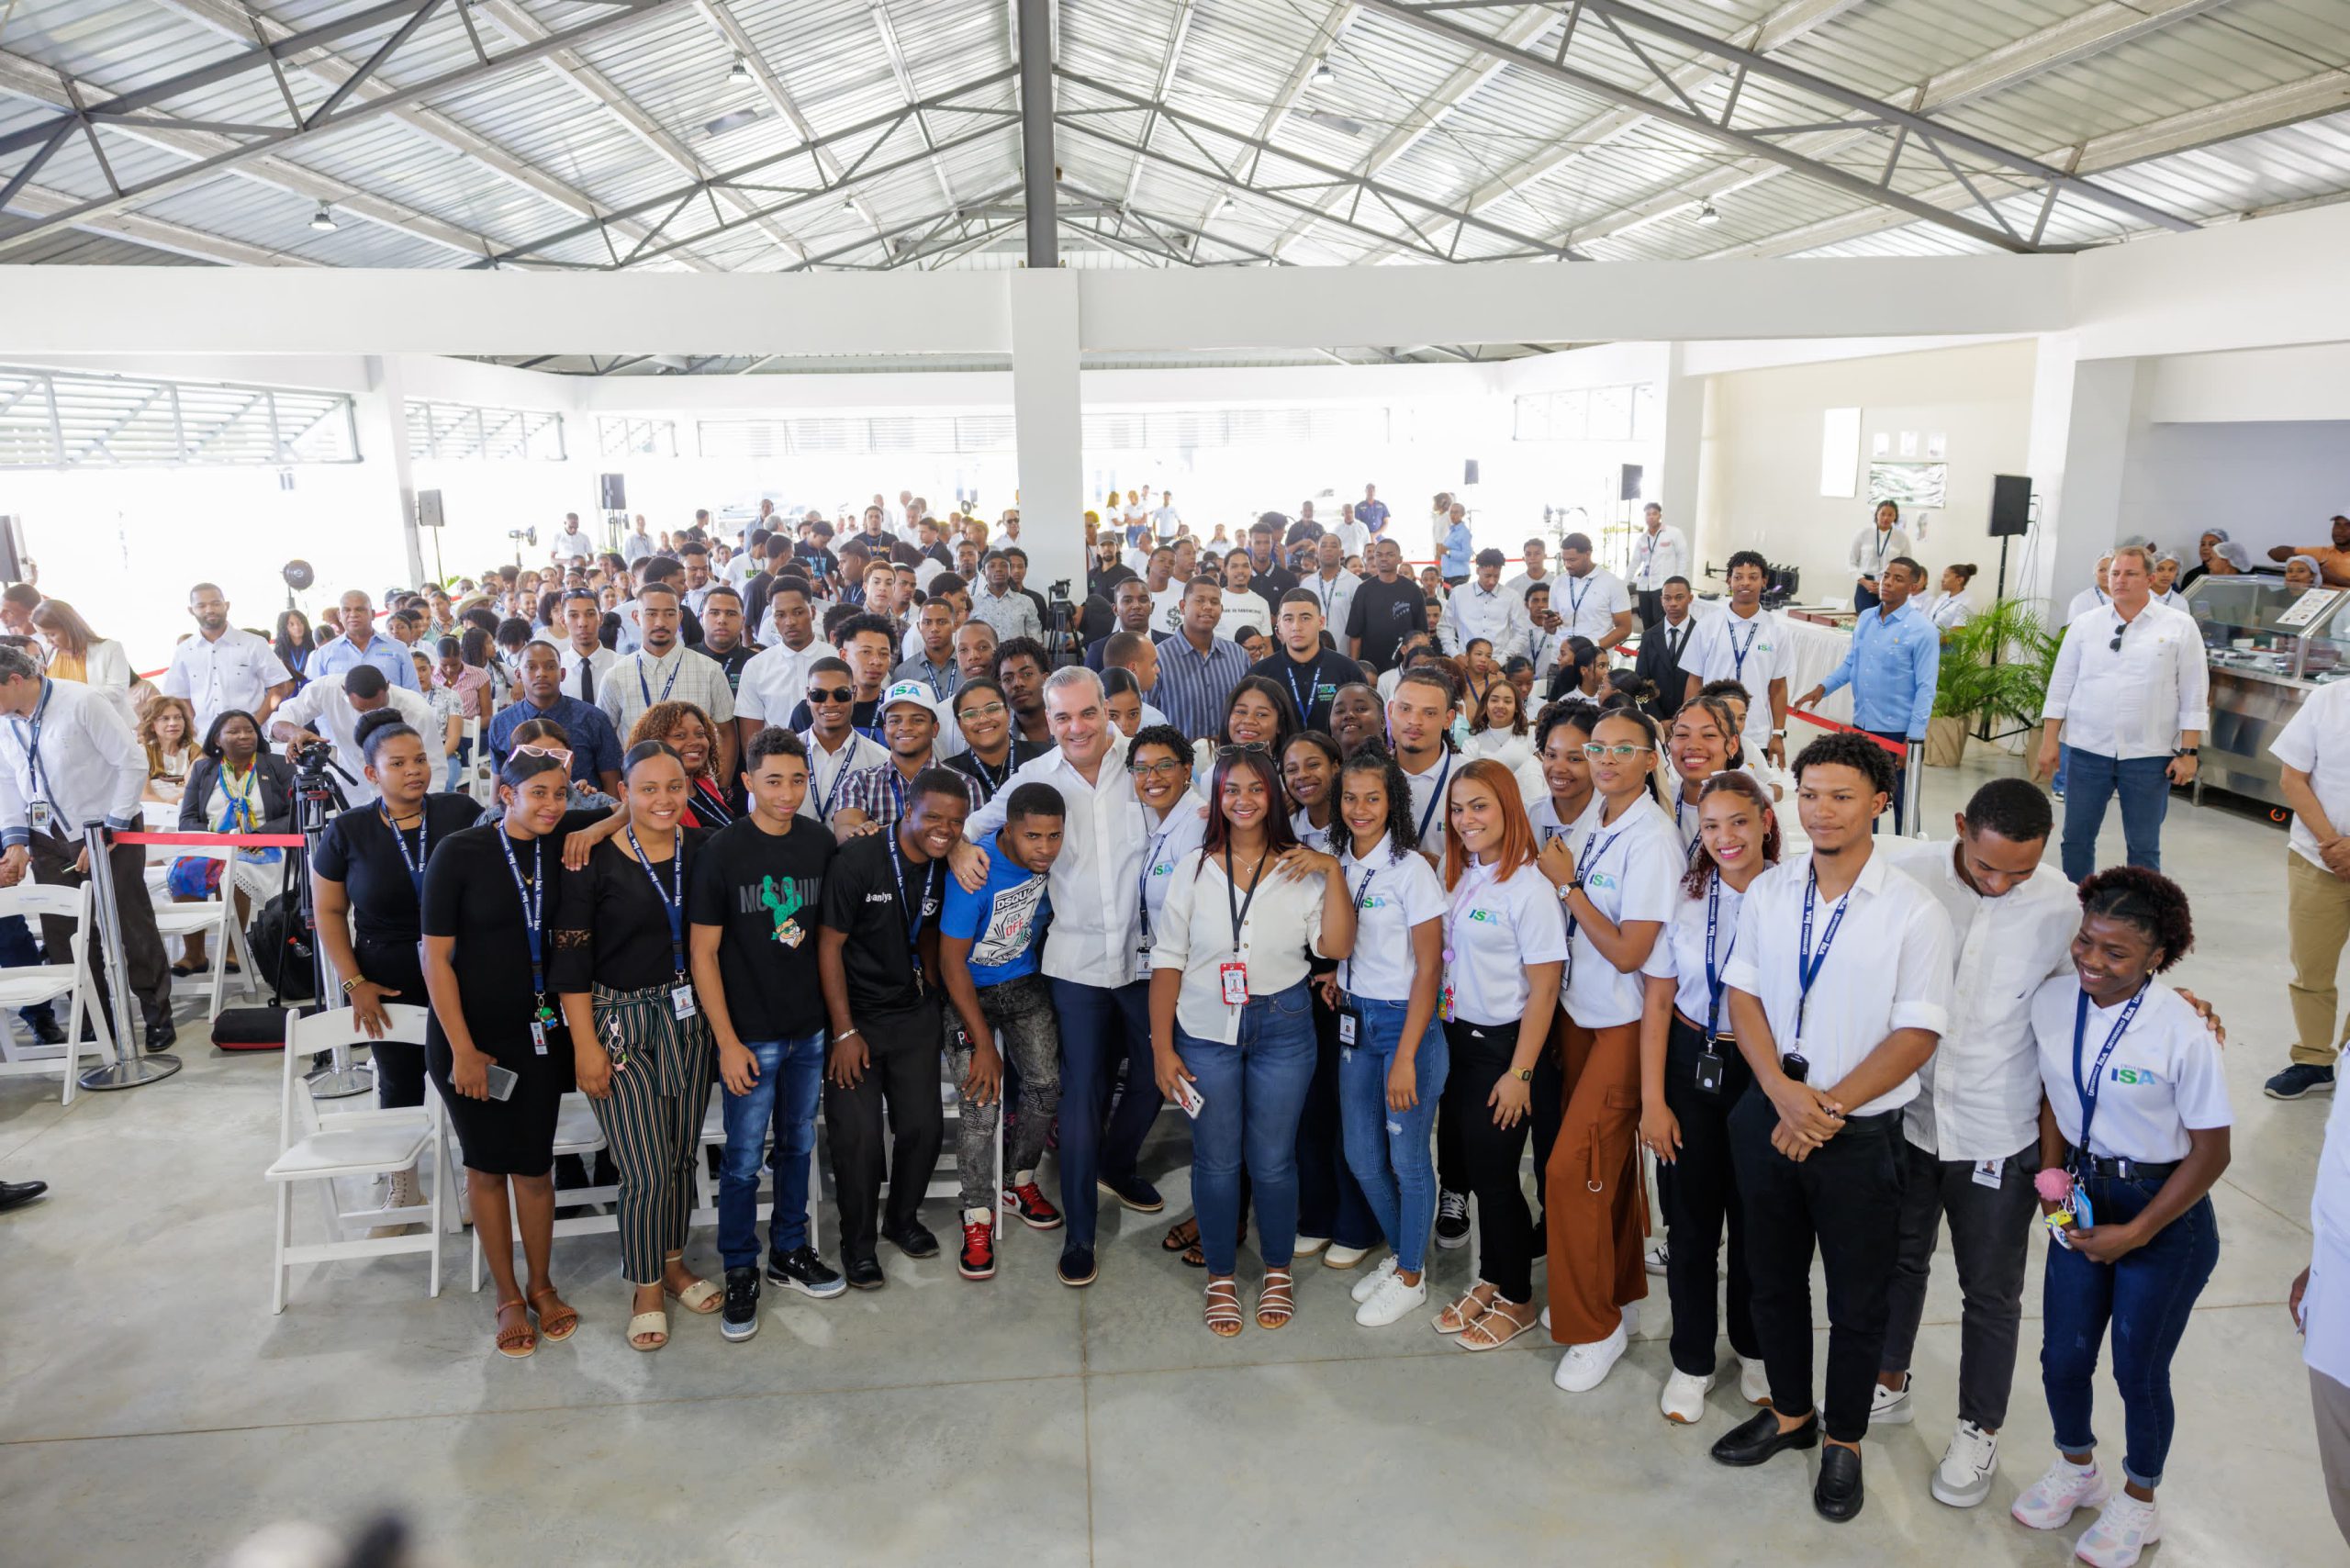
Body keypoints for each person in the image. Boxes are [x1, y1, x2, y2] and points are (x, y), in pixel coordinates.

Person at [1709, 731, 1955, 1523]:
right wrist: (1782, 1094)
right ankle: (1790, 1412)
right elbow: (1741, 996)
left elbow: (1917, 1035)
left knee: (1857, 1299)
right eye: (1809, 794)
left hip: (1857, 1134)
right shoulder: (1773, 892)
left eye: (1841, 796)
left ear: (1880, 803)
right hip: (1771, 1113)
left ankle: (1844, 1437)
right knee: (1770, 1278)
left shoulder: (1913, 913)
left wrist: (1825, 1109)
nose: (1820, 810)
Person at [1862, 779, 2084, 1507]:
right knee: (1898, 1259)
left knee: (1991, 1292)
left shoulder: (2060, 905)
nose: (2001, 884)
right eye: (1987, 868)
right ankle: (1888, 1381)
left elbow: (2071, 1022)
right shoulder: (1904, 876)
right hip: (1908, 1117)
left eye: (2019, 871)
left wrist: (2051, 1159)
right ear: (1961, 827)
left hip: (1999, 1128)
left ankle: (1977, 1428)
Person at [2013, 868, 2229, 1567]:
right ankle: (2078, 1468)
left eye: (2116, 954)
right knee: (2062, 1356)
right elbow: (2053, 1094)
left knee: (2138, 1368)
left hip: (2163, 1212)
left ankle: (2140, 1500)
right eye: (2086, 943)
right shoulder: (2053, 1002)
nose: (2093, 963)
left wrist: (2137, 1232)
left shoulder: (2182, 1030)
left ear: (2156, 959)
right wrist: (2052, 1186)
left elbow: (2212, 1152)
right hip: (2079, 1194)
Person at [952, 669, 1158, 1287]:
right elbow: (976, 824)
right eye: (1062, 717)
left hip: (1146, 961)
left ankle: (1115, 1163)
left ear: (1110, 712)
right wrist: (962, 847)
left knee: (1152, 1080)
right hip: (1075, 966)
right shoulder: (1036, 776)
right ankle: (1080, 1235)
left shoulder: (1144, 765)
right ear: (1046, 719)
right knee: (1082, 1091)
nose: (1077, 728)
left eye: (1087, 714)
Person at [1148, 746, 1353, 1336]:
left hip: (1284, 1027)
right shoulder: (1192, 868)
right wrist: (1163, 1049)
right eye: (1231, 789)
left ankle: (1278, 1270)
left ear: (1275, 795)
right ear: (1217, 797)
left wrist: (1332, 870)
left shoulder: (1300, 865)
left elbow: (1336, 948)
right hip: (1206, 1030)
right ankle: (1219, 1277)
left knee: (1273, 1161)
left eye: (1256, 788)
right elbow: (1167, 962)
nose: (1243, 799)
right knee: (1215, 1162)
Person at [417, 745, 596, 1357]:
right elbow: (435, 958)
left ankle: (543, 1285)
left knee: (535, 1166)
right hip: (469, 1040)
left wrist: (596, 816)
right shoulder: (459, 853)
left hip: (540, 1034)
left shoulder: (565, 838)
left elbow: (630, 810)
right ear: (506, 795)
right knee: (488, 1168)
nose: (551, 805)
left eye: (561, 793)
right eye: (537, 792)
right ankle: (507, 1295)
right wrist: (464, 1050)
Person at [552, 741, 721, 1350]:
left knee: (677, 1156)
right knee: (646, 1167)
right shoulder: (590, 859)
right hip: (617, 1023)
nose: (663, 800)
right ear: (623, 793)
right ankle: (645, 1284)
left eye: (674, 787)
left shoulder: (701, 850)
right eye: (646, 789)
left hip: (688, 1017)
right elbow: (568, 963)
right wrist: (584, 1046)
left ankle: (672, 1262)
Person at [1537, 705, 1680, 1393]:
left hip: (1623, 1023)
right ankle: (1615, 1289)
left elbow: (1631, 951)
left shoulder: (1653, 838)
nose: (1604, 760)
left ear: (1652, 760)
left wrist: (1567, 887)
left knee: (1572, 1172)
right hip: (1576, 1012)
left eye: (1625, 750)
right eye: (1599, 748)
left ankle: (1595, 1325)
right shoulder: (1594, 816)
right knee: (1607, 1175)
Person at [685, 728, 845, 1338]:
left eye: (797, 780)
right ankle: (739, 1267)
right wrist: (726, 1041)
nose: (786, 793)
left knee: (800, 1147)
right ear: (747, 782)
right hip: (749, 1035)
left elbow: (828, 938)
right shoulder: (722, 854)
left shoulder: (818, 843)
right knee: (744, 1161)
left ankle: (788, 1252)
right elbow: (704, 954)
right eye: (773, 780)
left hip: (808, 1030)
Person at [1639, 769, 1779, 1421]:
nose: (1725, 838)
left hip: (1763, 1071)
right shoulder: (1686, 896)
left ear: (1766, 823)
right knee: (1691, 1227)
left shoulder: (1790, 899)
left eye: (1739, 823)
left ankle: (1752, 1350)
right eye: (1711, 826)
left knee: (1758, 1223)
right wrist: (1653, 1099)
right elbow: (1659, 998)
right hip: (1690, 1063)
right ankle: (1692, 1360)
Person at [1428, 758, 1566, 1350]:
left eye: (1479, 806)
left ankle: (1518, 1297)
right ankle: (1490, 1278)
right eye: (1457, 809)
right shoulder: (1462, 874)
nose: (1465, 820)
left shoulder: (1530, 889)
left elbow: (1546, 988)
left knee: (1497, 1179)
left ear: (1508, 808)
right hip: (1457, 1040)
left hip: (1503, 1052)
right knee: (1472, 1170)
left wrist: (1520, 1074)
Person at [312, 706, 486, 1163]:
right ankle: (402, 1185)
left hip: (465, 970)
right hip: (387, 976)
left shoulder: (462, 812)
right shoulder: (347, 831)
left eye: (421, 760)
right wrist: (355, 983)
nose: (415, 771)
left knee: (471, 1076)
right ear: (371, 772)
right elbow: (329, 911)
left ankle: (479, 1173)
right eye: (398, 763)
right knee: (399, 1083)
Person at [817, 767, 968, 1291]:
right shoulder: (859, 859)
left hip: (911, 1014)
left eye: (955, 822)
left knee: (924, 1127)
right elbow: (828, 947)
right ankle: (857, 1246)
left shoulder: (944, 861)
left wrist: (929, 983)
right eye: (933, 817)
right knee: (857, 1139)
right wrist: (841, 1032)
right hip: (854, 1020)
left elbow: (927, 928)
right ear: (907, 810)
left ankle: (901, 1220)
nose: (943, 830)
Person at [0, 641, 174, 1049]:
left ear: (14, 679)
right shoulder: (6, 720)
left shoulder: (82, 701)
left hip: (108, 827)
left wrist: (110, 830)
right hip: (47, 837)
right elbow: (7, 782)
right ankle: (98, 1022)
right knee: (64, 934)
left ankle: (155, 1016)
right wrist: (16, 842)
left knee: (131, 924)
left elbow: (131, 764)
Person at [938, 780, 1069, 1280]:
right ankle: (976, 1212)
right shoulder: (976, 870)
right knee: (980, 1105)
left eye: (1054, 836)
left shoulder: (1053, 859)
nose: (1045, 848)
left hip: (1023, 982)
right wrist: (981, 1045)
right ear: (1008, 830)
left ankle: (1017, 1180)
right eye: (1033, 836)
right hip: (968, 990)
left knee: (1043, 1087)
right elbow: (951, 963)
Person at [2035, 545, 2207, 881]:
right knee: (2076, 839)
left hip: (2149, 755)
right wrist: (2049, 741)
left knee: (2143, 845)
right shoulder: (2085, 625)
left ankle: (2141, 916)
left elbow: (2194, 694)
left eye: (2130, 574)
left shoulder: (2179, 626)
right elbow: (2060, 688)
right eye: (2115, 573)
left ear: (2151, 579)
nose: (2120, 581)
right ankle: (2078, 903)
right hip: (2087, 750)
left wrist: (2189, 752)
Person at [1796, 556, 1940, 834]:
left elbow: (1926, 687)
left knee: (1902, 801)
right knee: (1863, 796)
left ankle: (1909, 852)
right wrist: (1822, 688)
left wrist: (1914, 736)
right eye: (1886, 575)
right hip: (1863, 726)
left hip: (1898, 734)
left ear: (1913, 586)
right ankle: (1865, 851)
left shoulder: (1923, 630)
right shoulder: (1866, 619)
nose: (1887, 582)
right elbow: (1852, 664)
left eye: (1898, 578)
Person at [2270, 672, 2350, 1102]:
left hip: (2333, 853)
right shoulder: (2328, 699)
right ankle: (2315, 1060)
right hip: (2317, 860)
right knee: (2312, 966)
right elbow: (2292, 779)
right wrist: (2333, 845)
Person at [168, 707, 294, 973]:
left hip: (262, 848)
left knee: (234, 872)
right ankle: (194, 955)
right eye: (234, 731)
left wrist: (261, 835)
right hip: (213, 846)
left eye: (249, 730)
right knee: (185, 869)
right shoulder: (203, 769)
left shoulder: (278, 766)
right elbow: (187, 819)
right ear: (217, 739)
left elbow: (294, 815)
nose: (244, 736)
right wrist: (218, 838)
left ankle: (233, 950)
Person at [597, 583, 736, 784]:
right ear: (636, 617)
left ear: (679, 618)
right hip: (641, 787)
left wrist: (722, 787)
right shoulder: (615, 676)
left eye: (669, 614)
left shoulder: (709, 670)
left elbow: (726, 733)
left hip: (700, 789)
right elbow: (604, 742)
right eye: (651, 614)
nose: (660, 622)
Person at [1678, 550, 1791, 768]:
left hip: (1756, 732)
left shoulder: (1778, 631)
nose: (1745, 583)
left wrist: (1778, 733)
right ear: (1728, 580)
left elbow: (1778, 687)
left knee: (1751, 793)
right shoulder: (1707, 626)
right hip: (1709, 729)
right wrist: (1687, 724)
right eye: (1738, 577)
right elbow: (1695, 681)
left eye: (1753, 577)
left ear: (1764, 581)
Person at [269, 666, 435, 810]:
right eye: (362, 710)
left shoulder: (416, 709)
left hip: (404, 796)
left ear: (388, 687)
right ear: (343, 690)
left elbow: (435, 766)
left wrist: (426, 810)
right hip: (352, 792)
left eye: (377, 708)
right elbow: (279, 720)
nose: (369, 715)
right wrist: (294, 732)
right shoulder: (326, 689)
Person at [832, 681, 980, 837]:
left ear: (935, 729)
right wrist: (861, 832)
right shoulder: (859, 782)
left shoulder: (965, 785)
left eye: (917, 720)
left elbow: (974, 845)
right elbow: (845, 835)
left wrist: (881, 834)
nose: (905, 727)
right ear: (885, 730)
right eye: (895, 721)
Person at [487, 641, 622, 798]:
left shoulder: (593, 719)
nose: (541, 673)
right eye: (531, 667)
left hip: (585, 815)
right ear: (518, 675)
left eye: (550, 667)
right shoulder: (501, 723)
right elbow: (498, 787)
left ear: (563, 674)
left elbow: (612, 783)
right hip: (523, 817)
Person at [161, 582, 295, 737]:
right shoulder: (184, 650)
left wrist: (254, 725)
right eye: (201, 605)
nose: (209, 609)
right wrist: (195, 729)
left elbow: (279, 686)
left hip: (250, 741)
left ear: (227, 605)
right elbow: (180, 696)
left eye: (215, 603)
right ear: (191, 610)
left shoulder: (254, 644)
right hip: (205, 741)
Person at [795, 656, 889, 828]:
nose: (830, 703)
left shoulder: (881, 760)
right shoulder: (784, 754)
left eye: (841, 694)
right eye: (818, 695)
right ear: (807, 696)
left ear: (854, 694)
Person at [1156, 578, 1250, 745]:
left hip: (1230, 760)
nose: (1208, 606)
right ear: (1183, 607)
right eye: (1199, 601)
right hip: (1178, 761)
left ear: (1221, 609)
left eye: (1214, 602)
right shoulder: (1159, 657)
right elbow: (1148, 714)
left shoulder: (1238, 655)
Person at [1250, 589, 1357, 736]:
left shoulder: (1348, 670)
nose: (1296, 626)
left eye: (1305, 618)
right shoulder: (1259, 674)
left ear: (1321, 622)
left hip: (1335, 758)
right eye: (1288, 619)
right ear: (1279, 625)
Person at [31, 599, 133, 724]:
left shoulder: (110, 648)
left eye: (51, 634)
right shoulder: (46, 653)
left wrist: (64, 694)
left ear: (69, 626)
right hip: (66, 728)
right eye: (44, 636)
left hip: (106, 724)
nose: (48, 641)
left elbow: (116, 692)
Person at [308, 589, 421, 691]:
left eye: (359, 609)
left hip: (391, 715)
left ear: (372, 614)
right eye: (346, 610)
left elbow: (414, 695)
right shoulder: (324, 654)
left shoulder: (398, 648)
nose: (353, 615)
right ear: (339, 616)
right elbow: (317, 702)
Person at [1346, 539, 1429, 674]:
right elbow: (1355, 634)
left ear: (1400, 559)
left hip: (1405, 666)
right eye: (1379, 555)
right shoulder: (1363, 590)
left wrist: (1422, 663)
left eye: (1390, 554)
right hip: (1371, 665)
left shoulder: (1413, 590)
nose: (1384, 559)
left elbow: (1423, 632)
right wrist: (1355, 668)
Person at [1439, 549, 1530, 664]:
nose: (1492, 581)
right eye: (1487, 576)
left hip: (1498, 663)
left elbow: (1521, 633)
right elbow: (1445, 627)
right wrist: (1455, 655)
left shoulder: (1512, 597)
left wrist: (1501, 661)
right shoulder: (1459, 594)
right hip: (1466, 661)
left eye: (1496, 576)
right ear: (1478, 570)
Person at [1553, 532, 1634, 655]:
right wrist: (1549, 625)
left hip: (1594, 661)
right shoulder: (1558, 582)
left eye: (1572, 560)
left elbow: (1624, 628)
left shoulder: (1613, 583)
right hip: (1560, 659)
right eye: (1564, 560)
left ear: (1588, 554)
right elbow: (1552, 628)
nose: (1567, 565)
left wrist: (1592, 649)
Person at [1633, 577, 1699, 722]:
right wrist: (1656, 718)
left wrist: (1684, 718)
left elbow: (1707, 682)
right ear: (1661, 600)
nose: (1673, 603)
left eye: (1679, 597)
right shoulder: (1649, 637)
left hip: (1693, 719)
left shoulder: (1702, 634)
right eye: (1667, 598)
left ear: (1690, 598)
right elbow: (1639, 685)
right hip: (1656, 721)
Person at [1630, 503, 1691, 628]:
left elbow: (1683, 557)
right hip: (1644, 586)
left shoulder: (1673, 533)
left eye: (1654, 513)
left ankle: (1662, 647)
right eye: (1648, 514)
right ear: (1645, 517)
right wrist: (1623, 584)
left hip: (1662, 586)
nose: (1651, 517)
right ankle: (1649, 647)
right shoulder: (1643, 539)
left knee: (1660, 621)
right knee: (1646, 622)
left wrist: (1678, 582)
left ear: (1660, 515)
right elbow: (1634, 562)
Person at [1848, 501, 1913, 613]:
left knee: (1887, 621)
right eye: (1882, 514)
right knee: (1865, 620)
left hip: (1891, 585)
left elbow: (1907, 566)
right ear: (1876, 514)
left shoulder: (1902, 538)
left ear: (1895, 517)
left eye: (1890, 514)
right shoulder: (1863, 534)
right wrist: (1864, 582)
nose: (1886, 518)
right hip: (1866, 585)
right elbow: (1851, 563)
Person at [139, 695, 196, 811]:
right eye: (165, 719)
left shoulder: (196, 751)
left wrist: (172, 813)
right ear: (152, 725)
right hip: (153, 816)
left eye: (178, 717)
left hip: (186, 813)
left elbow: (191, 791)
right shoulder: (141, 753)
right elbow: (145, 795)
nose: (173, 723)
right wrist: (167, 812)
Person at [1465, 678, 1535, 775]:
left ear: (1517, 708)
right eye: (1494, 700)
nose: (1500, 706)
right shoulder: (1472, 741)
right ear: (1485, 705)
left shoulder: (1532, 735)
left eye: (1507, 701)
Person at [2266, 514, 2350, 587]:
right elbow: (2274, 553)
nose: (2339, 530)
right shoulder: (2322, 552)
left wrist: (2331, 578)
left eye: (2347, 525)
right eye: (2337, 524)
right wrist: (2308, 562)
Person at [274, 610, 318, 698]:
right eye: (291, 624)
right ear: (284, 628)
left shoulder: (314, 645)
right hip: (291, 694)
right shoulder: (279, 650)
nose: (297, 627)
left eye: (300, 623)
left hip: (313, 690)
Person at [1928, 564, 1977, 631]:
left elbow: (1956, 634)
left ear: (1959, 580)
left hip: (1942, 640)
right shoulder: (1943, 597)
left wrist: (1932, 639)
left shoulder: (1967, 603)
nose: (1942, 580)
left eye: (1946, 576)